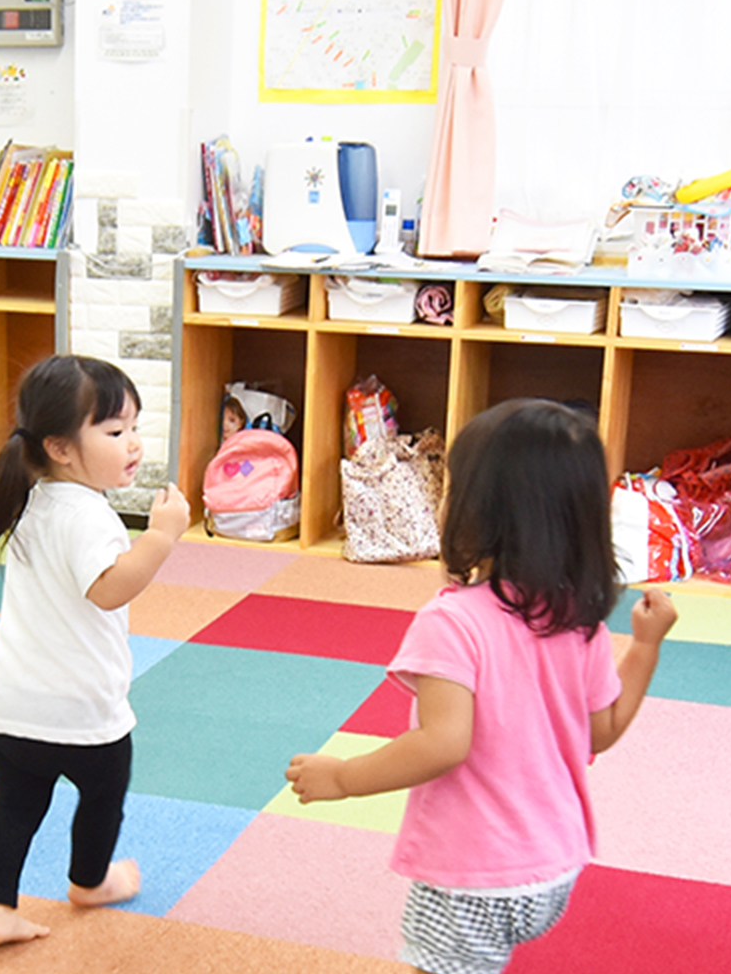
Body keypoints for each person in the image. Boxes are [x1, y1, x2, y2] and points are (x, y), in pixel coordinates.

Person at [286, 399, 674, 974]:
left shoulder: (454, 622)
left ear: (474, 511)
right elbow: (604, 730)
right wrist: (644, 648)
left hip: (473, 875)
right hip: (554, 866)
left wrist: (343, 777)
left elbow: (443, 743)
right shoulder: (576, 615)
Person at [0, 354, 189, 947]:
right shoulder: (89, 516)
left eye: (133, 427)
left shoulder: (29, 499)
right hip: (82, 711)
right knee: (103, 797)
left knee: (13, 810)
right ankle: (90, 879)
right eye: (113, 432)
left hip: (11, 707)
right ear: (59, 447)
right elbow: (109, 589)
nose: (132, 443)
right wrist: (161, 537)